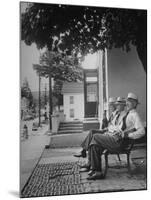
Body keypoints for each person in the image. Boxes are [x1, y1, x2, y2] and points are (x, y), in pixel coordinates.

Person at [87, 93, 145, 180]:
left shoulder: (134, 115)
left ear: (135, 104)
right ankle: (97, 171)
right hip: (116, 139)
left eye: (130, 102)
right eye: (127, 101)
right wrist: (113, 131)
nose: (127, 103)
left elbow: (142, 131)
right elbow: (120, 128)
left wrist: (128, 135)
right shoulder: (128, 114)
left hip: (120, 143)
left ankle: (92, 166)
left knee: (95, 137)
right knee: (95, 145)